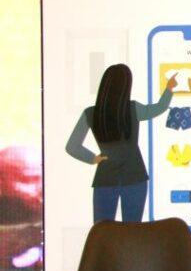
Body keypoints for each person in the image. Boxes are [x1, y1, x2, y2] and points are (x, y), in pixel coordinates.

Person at [66, 64, 175, 223]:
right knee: (132, 230)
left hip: (105, 177)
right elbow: (159, 108)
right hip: (135, 175)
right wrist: (169, 88)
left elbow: (72, 146)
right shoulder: (133, 109)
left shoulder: (91, 113)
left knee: (102, 230)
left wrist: (93, 158)